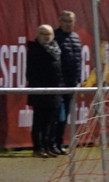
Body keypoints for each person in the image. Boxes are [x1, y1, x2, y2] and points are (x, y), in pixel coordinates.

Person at [25, 24, 63, 158]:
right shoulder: (34, 49)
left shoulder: (56, 49)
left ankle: (48, 146)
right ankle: (38, 148)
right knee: (39, 121)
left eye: (48, 34)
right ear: (38, 35)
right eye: (43, 34)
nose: (46, 37)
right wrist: (40, 87)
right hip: (40, 91)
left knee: (51, 122)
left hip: (54, 91)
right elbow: (30, 72)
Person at [53, 10, 83, 154]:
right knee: (57, 115)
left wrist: (78, 79)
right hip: (58, 84)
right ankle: (52, 143)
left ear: (74, 22)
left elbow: (78, 61)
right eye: (65, 21)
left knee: (65, 116)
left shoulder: (76, 37)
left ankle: (59, 143)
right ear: (60, 21)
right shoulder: (55, 36)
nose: (67, 24)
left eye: (70, 21)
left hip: (71, 84)